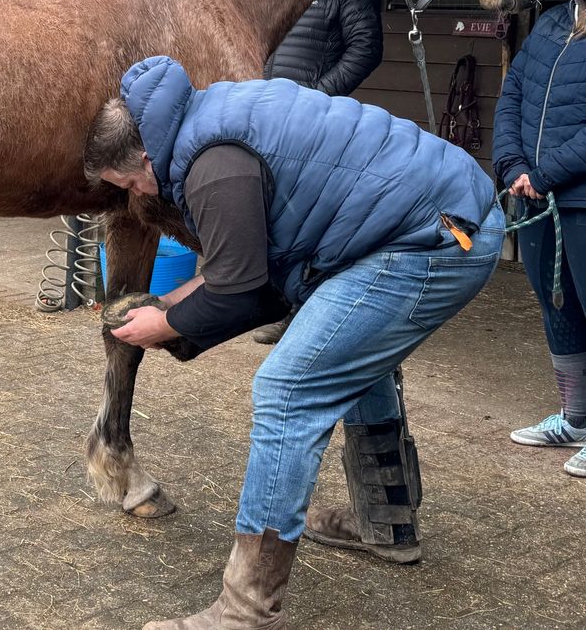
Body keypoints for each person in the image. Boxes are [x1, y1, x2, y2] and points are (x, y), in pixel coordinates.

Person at [85, 56, 503, 630]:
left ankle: (246, 609)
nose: (136, 195)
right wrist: (168, 308)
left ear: (145, 157)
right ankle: (386, 521)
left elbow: (241, 291)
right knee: (351, 353)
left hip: (435, 237)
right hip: (435, 216)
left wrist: (167, 328)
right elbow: (246, 266)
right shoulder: (204, 123)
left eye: (131, 183)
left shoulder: (213, 167)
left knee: (287, 388)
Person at [493, 0, 586, 479]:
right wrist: (510, 163)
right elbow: (513, 95)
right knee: (558, 309)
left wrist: (543, 173)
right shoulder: (552, 23)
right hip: (535, 197)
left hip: (573, 197)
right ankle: (576, 419)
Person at [256, 0, 384, 344]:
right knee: (270, 216)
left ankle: (303, 314)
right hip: (266, 117)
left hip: (311, 125)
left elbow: (367, 48)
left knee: (305, 221)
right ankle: (279, 304)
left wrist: (318, 96)